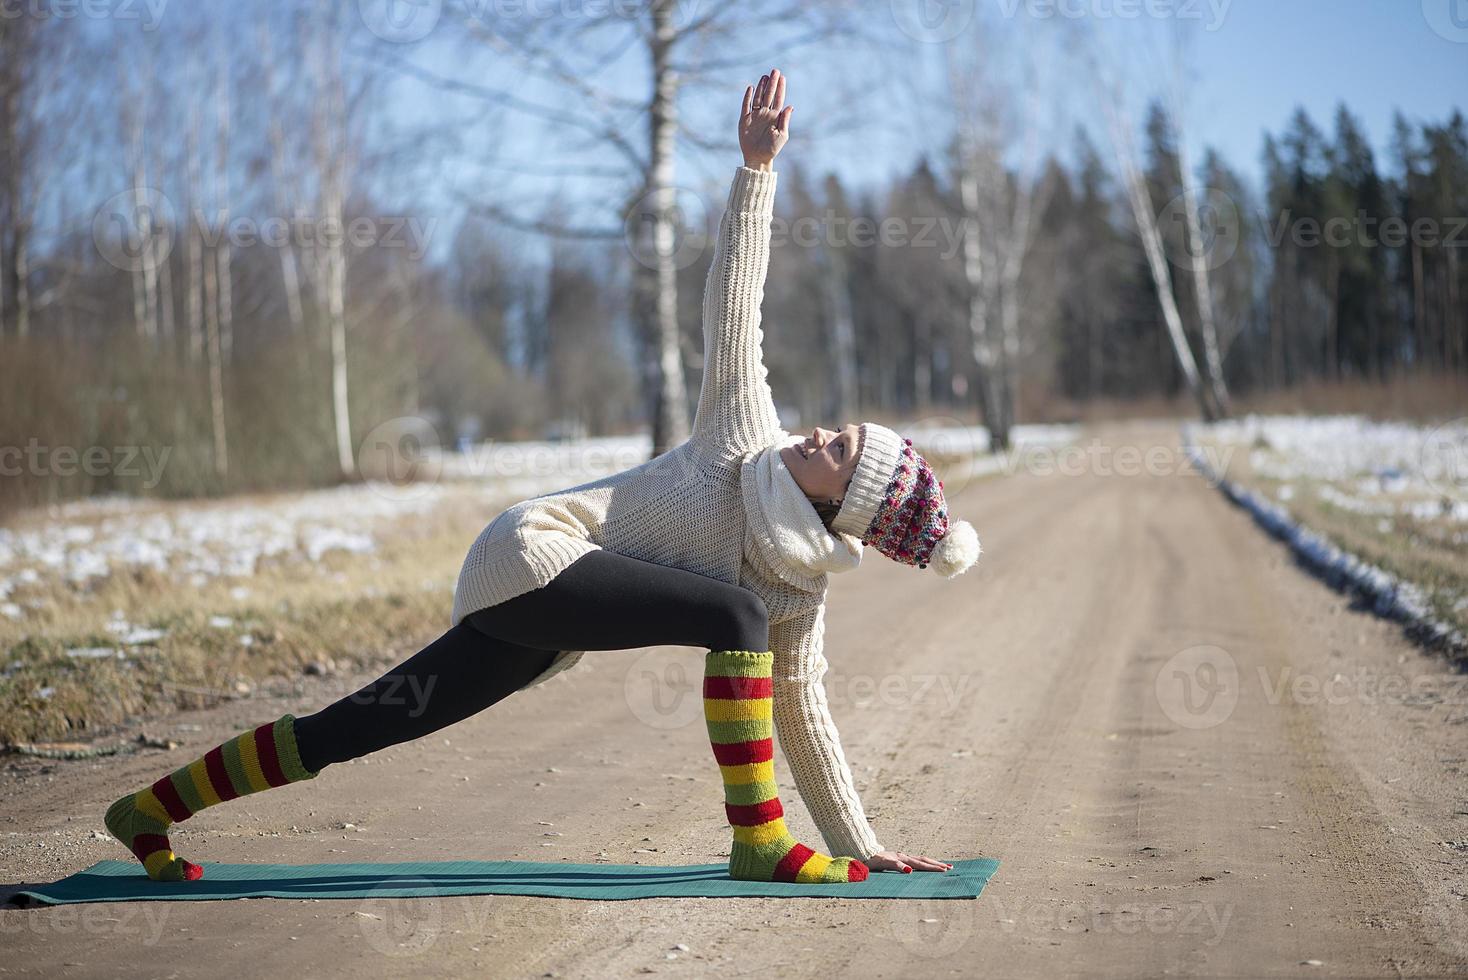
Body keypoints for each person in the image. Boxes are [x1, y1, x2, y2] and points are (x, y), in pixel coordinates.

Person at [103, 69, 980, 886]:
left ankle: (148, 811)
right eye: (839, 428)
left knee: (367, 722)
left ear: (840, 507)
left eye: (838, 450)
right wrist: (755, 172)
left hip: (547, 622)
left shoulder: (798, 596)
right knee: (731, 613)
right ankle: (757, 841)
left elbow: (803, 711)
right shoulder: (742, 435)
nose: (820, 433)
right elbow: (734, 302)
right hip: (532, 552)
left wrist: (858, 844)